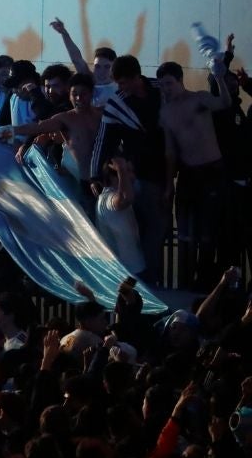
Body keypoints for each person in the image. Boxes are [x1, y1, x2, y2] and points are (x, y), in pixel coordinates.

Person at [90, 55, 168, 287]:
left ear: (137, 76)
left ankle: (151, 280)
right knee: (145, 229)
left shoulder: (160, 89)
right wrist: (95, 174)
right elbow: (103, 140)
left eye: (123, 83)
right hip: (137, 175)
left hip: (164, 172)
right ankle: (147, 282)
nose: (120, 88)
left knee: (157, 229)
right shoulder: (118, 102)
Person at [158, 59, 231, 289]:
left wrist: (218, 76)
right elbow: (170, 152)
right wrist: (169, 185)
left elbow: (225, 103)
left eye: (169, 83)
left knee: (208, 231)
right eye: (162, 85)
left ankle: (207, 283)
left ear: (180, 80)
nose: (165, 89)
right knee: (186, 232)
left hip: (212, 172)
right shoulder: (166, 112)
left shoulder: (199, 98)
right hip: (188, 174)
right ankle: (185, 282)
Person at [12, 73, 103, 210]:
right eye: (74, 94)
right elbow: (38, 127)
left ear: (91, 93)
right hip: (82, 184)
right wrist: (9, 130)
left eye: (83, 94)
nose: (79, 98)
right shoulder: (65, 118)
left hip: (107, 182)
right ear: (69, 94)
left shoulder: (103, 115)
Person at [49, 17, 118, 105]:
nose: (101, 71)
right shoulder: (89, 81)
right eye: (97, 66)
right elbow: (76, 58)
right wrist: (64, 33)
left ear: (114, 68)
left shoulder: (120, 88)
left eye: (107, 67)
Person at [95, 158, 146, 276]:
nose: (132, 176)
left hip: (132, 268)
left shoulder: (108, 195)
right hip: (129, 272)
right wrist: (121, 170)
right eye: (128, 171)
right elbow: (126, 198)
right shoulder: (108, 199)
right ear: (114, 177)